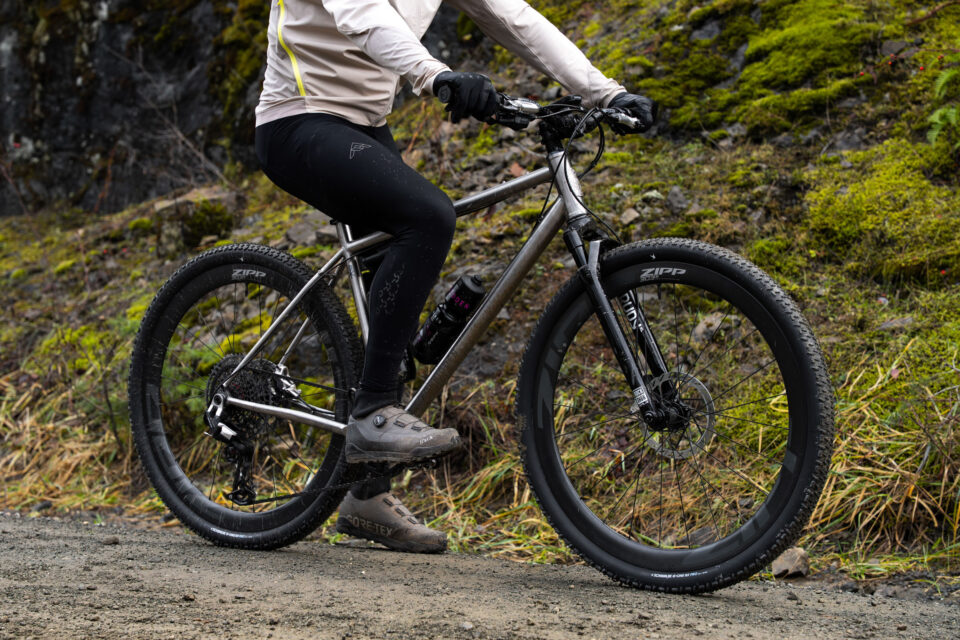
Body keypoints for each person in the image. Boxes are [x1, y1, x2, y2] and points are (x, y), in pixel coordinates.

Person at [254, 0, 655, 554]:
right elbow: (361, 13)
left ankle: (365, 495)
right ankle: (371, 412)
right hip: (298, 121)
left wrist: (603, 92)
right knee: (428, 217)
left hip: (366, 126)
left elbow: (513, 17)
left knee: (395, 313)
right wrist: (435, 75)